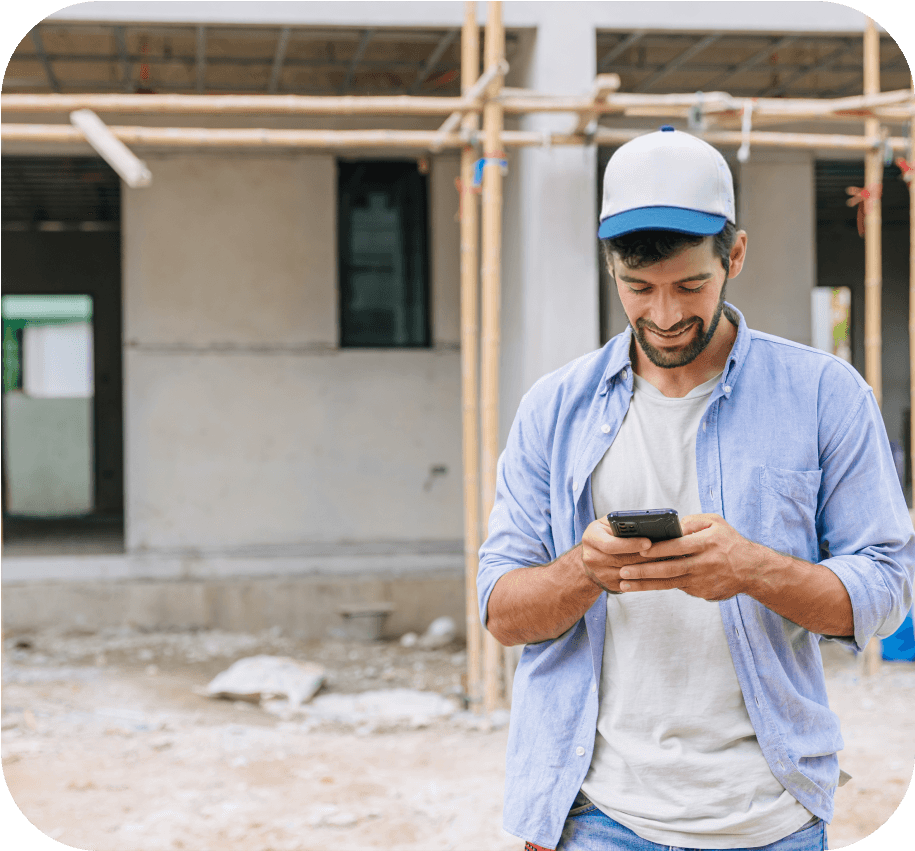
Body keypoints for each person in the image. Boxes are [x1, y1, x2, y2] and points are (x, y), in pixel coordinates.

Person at [476, 125, 914, 851]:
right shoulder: (553, 408)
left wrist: (753, 568)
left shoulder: (822, 394)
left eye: (690, 285)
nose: (665, 315)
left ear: (733, 254)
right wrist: (582, 570)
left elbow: (888, 586)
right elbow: (500, 612)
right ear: (609, 268)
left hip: (768, 818)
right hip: (591, 816)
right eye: (637, 288)